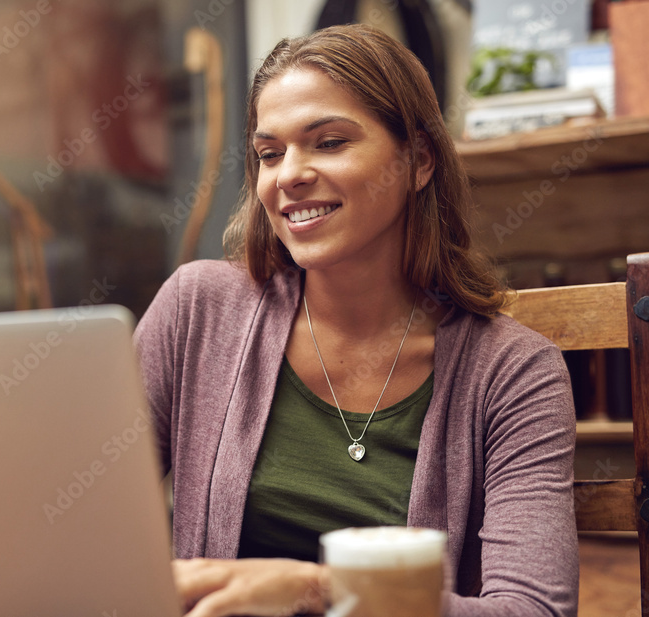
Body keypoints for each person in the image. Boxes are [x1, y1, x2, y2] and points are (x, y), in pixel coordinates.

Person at [134, 24, 578, 617]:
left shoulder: (513, 373)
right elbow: (84, 521)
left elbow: (534, 611)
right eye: (269, 154)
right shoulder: (198, 310)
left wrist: (316, 590)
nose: (288, 174)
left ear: (418, 161)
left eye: (329, 142)